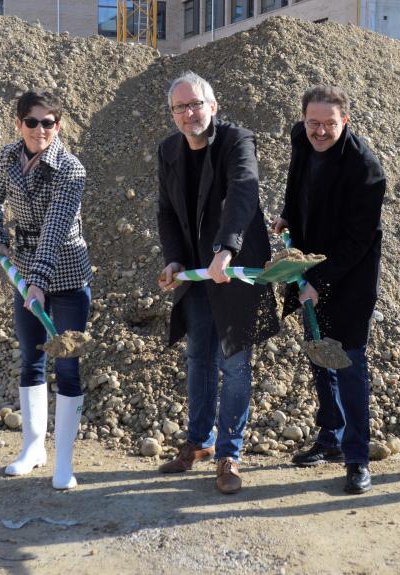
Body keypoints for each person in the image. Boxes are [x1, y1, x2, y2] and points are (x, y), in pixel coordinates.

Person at [156, 72, 279, 495]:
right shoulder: (169, 150)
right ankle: (200, 441)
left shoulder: (237, 140)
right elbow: (166, 212)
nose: (189, 113)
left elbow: (243, 191)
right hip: (196, 271)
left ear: (213, 105)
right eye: (180, 107)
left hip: (234, 267)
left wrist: (226, 249)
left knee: (235, 363)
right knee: (198, 358)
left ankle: (230, 453)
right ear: (172, 114)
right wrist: (174, 259)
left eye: (196, 104)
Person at [272, 85, 386, 494]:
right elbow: (295, 176)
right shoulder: (300, 137)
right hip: (309, 264)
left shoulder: (365, 169)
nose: (319, 132)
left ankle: (357, 458)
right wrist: (288, 215)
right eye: (313, 122)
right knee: (319, 353)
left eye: (329, 124)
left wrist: (318, 282)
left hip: (351, 275)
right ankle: (330, 438)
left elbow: (358, 242)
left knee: (349, 362)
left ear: (346, 121)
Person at [0, 90, 92, 490]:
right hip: (25, 273)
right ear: (19, 124)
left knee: (67, 363)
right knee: (31, 358)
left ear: (58, 126)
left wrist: (39, 283)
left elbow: (55, 230)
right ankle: (33, 449)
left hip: (64, 274)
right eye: (32, 122)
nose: (40, 129)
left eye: (49, 122)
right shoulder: (9, 157)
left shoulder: (70, 170)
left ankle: (64, 461)